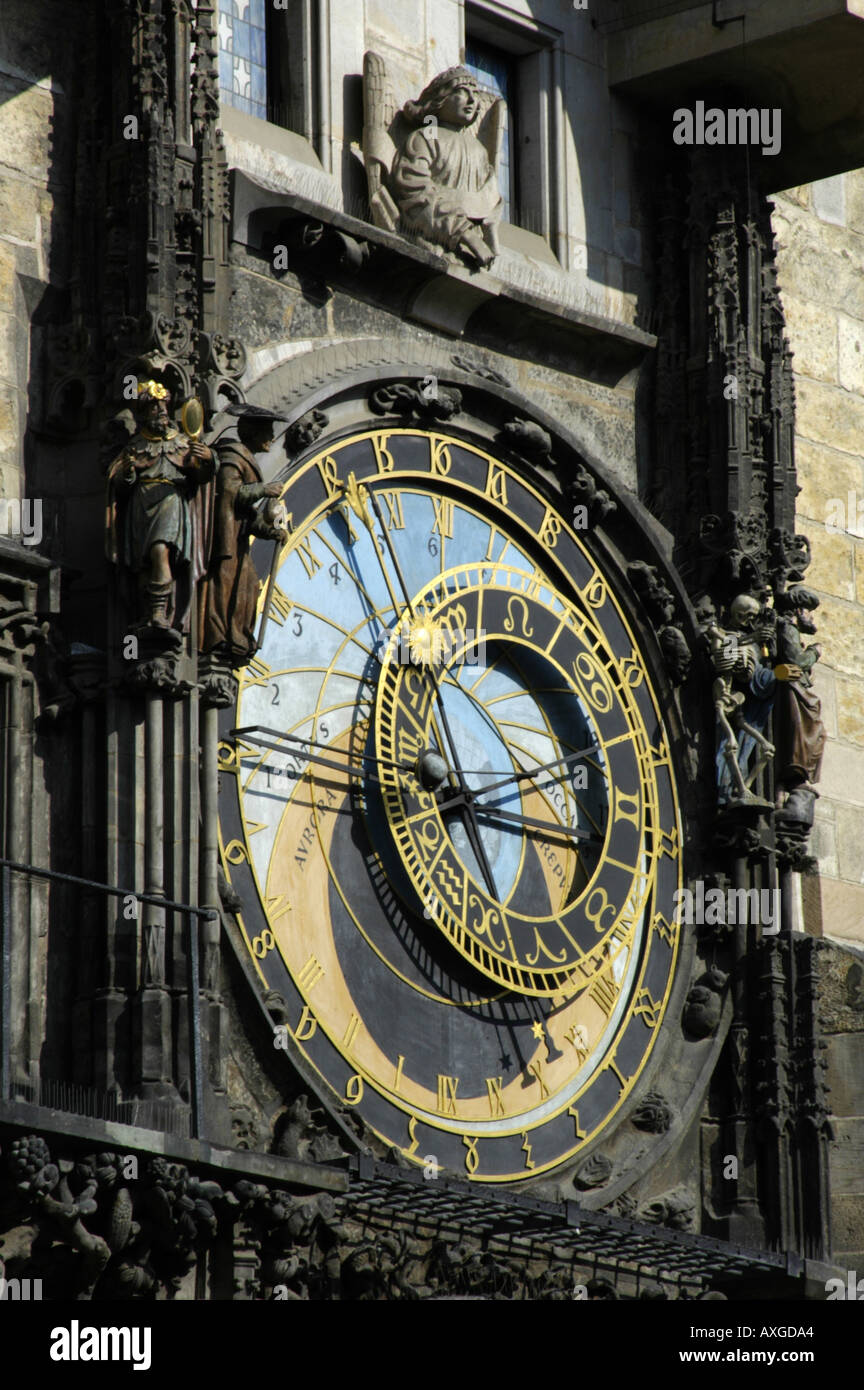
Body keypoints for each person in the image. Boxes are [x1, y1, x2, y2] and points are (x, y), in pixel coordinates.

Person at [105, 381, 214, 630]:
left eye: (163, 406)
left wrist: (207, 460)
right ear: (144, 414)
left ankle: (159, 613)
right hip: (140, 504)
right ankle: (146, 613)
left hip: (169, 501)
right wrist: (129, 473)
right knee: (143, 563)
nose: (161, 411)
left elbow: (200, 477)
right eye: (154, 408)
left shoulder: (182, 442)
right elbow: (121, 487)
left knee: (159, 552)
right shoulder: (135, 446)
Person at [199, 405, 288, 666]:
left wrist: (271, 532)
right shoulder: (232, 456)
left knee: (249, 582)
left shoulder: (243, 457)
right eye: (268, 431)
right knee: (224, 582)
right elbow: (231, 492)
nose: (272, 437)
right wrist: (264, 489)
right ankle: (217, 635)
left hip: (236, 536)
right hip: (223, 536)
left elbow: (247, 515)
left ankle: (237, 635)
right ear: (252, 432)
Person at [391, 67, 502, 268]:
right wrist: (464, 233)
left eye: (475, 94)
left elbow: (491, 202)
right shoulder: (427, 137)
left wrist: (488, 240)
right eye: (462, 92)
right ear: (440, 99)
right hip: (433, 238)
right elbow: (415, 192)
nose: (471, 101)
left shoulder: (480, 151)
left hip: (473, 252)